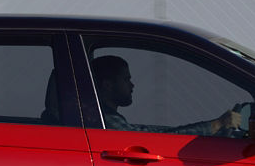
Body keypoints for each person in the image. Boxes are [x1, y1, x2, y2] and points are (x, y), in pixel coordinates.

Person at [91, 55, 241, 136]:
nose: (132, 85)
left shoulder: (107, 118)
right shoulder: (105, 121)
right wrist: (218, 124)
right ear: (107, 85)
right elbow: (143, 141)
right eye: (126, 79)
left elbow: (151, 132)